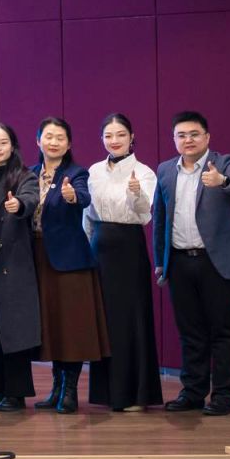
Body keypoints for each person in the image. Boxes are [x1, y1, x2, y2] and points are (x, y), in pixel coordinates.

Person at [151, 110, 230, 416]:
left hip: (217, 263)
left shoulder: (223, 163)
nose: (188, 140)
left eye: (194, 134)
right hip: (180, 262)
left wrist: (222, 181)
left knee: (223, 331)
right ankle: (193, 392)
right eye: (181, 135)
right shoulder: (165, 170)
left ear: (207, 137)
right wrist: (161, 261)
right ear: (174, 139)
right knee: (190, 332)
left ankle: (223, 396)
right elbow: (160, 218)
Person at [85, 114, 164, 412]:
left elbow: (145, 214)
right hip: (99, 248)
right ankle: (106, 394)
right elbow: (87, 216)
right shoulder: (94, 171)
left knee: (131, 319)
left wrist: (136, 194)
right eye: (108, 135)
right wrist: (87, 248)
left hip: (129, 248)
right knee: (104, 320)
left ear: (132, 137)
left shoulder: (144, 172)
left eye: (120, 134)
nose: (114, 140)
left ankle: (134, 395)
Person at [31, 117, 106, 414]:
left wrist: (72, 196)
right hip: (37, 258)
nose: (53, 142)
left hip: (69, 261)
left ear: (69, 143)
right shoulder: (29, 174)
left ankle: (70, 390)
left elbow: (83, 197)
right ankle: (55, 388)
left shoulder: (76, 173)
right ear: (38, 141)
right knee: (51, 325)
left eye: (60, 138)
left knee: (70, 326)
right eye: (48, 136)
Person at [0, 123, 42, 413]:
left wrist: (19, 206)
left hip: (12, 262)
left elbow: (30, 199)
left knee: (13, 330)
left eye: (3, 142)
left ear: (13, 146)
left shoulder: (25, 175)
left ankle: (16, 392)